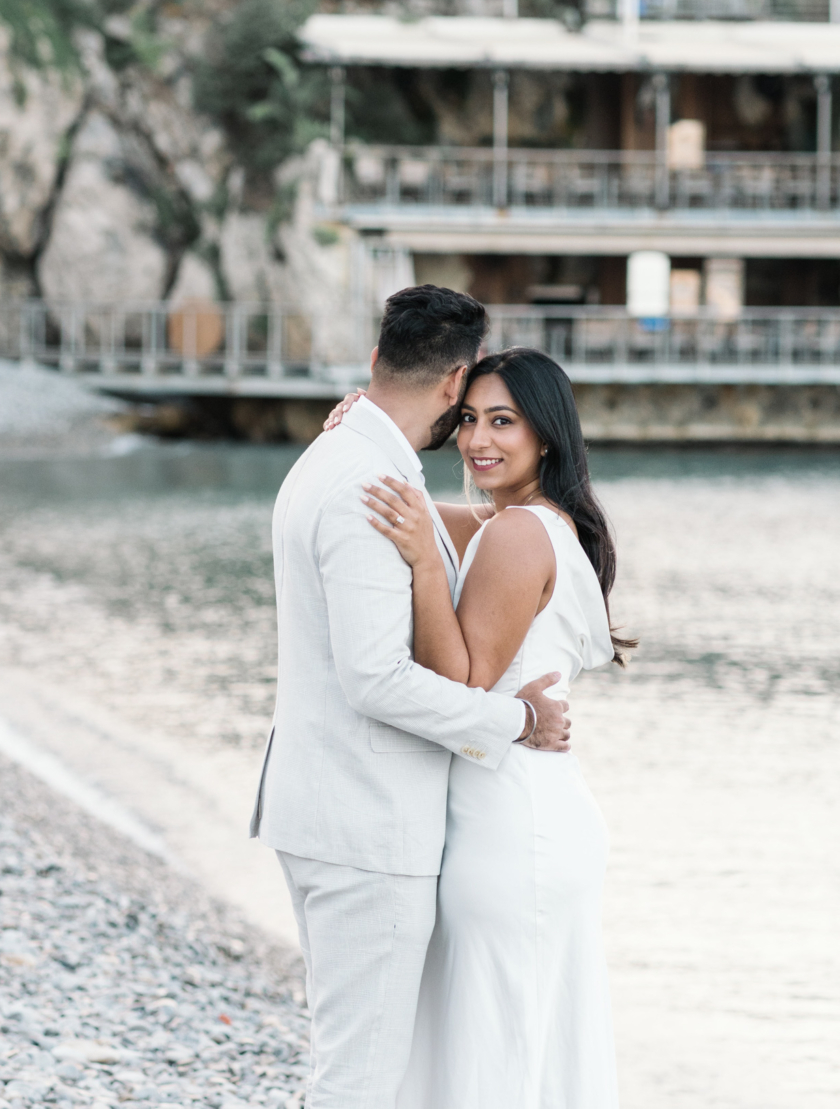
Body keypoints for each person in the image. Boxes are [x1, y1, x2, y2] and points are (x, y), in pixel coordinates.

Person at [249, 286, 573, 1109]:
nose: (471, 431)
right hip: (367, 824)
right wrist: (518, 718)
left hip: (328, 809)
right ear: (455, 380)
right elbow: (377, 679)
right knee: (358, 1080)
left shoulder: (342, 459)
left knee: (354, 1060)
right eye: (473, 410)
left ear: (372, 363)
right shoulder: (369, 481)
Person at [348, 345, 634, 1108]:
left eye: (502, 421)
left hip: (511, 830)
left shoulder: (514, 535)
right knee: (524, 1053)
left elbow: (458, 686)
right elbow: (428, 512)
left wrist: (424, 567)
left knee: (491, 1056)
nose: (478, 439)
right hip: (532, 815)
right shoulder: (529, 522)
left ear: (546, 433)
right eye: (468, 418)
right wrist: (363, 441)